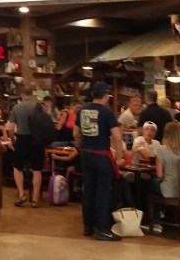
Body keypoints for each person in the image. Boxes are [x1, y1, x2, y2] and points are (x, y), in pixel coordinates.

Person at [75, 81, 125, 241]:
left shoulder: (82, 110)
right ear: (106, 96)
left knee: (89, 190)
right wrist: (119, 157)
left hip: (85, 155)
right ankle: (103, 229)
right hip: (101, 156)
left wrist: (83, 144)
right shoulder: (107, 112)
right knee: (103, 193)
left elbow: (75, 133)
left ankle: (88, 227)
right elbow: (117, 137)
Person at [148, 122, 180, 234]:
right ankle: (163, 213)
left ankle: (156, 221)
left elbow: (159, 175)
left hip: (170, 190)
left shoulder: (161, 149)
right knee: (157, 184)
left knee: (153, 183)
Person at [6, 90, 44, 208]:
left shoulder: (16, 108)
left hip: (22, 139)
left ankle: (22, 194)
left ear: (22, 95)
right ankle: (35, 199)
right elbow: (44, 124)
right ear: (31, 95)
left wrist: (12, 139)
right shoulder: (38, 107)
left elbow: (11, 127)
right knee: (37, 170)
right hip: (36, 140)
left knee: (17, 167)